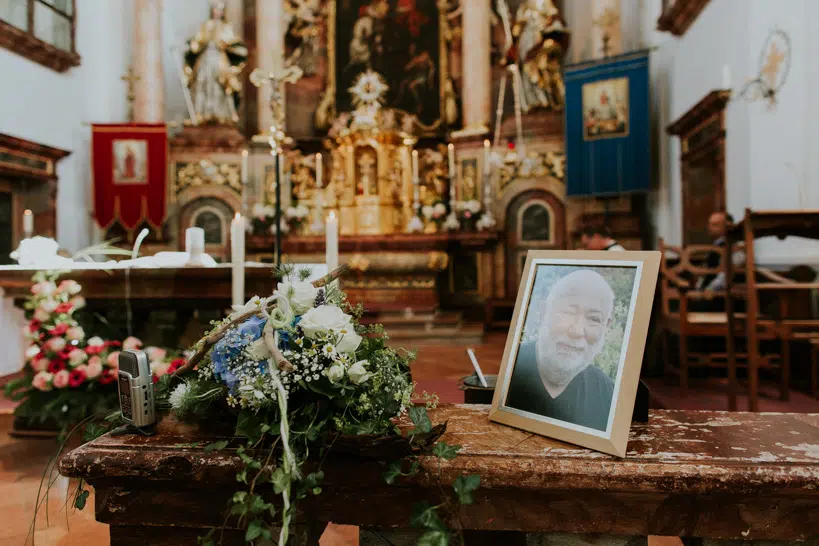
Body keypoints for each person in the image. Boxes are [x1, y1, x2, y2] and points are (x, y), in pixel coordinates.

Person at [506, 270, 615, 431]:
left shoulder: (604, 390)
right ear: (543, 313)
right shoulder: (513, 366)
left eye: (594, 319)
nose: (577, 331)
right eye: (568, 313)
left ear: (607, 326)